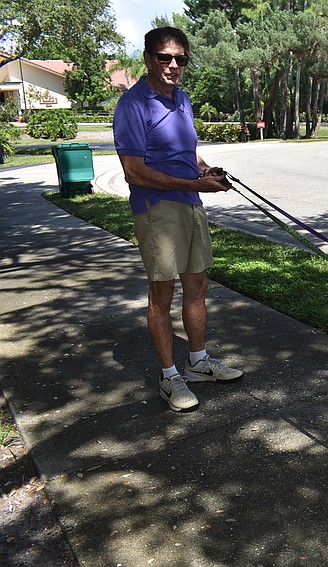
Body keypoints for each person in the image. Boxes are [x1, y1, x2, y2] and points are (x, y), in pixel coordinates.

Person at [113, 26, 242, 412]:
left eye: (181, 59)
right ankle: (170, 377)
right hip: (157, 209)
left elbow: (189, 153)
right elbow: (133, 171)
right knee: (162, 292)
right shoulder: (132, 105)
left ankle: (198, 363)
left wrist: (205, 171)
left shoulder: (182, 99)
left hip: (190, 202)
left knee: (197, 285)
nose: (173, 65)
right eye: (165, 57)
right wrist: (195, 183)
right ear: (148, 59)